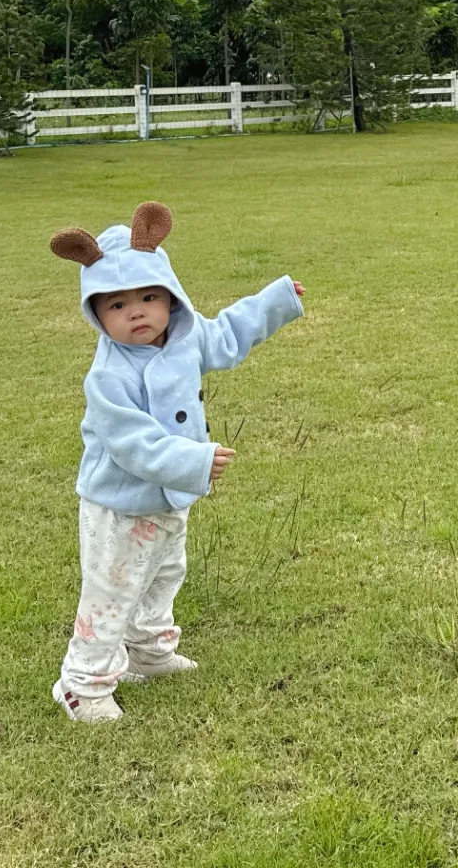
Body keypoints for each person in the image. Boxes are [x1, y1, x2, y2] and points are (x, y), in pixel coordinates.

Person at [47, 200, 305, 722]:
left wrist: (275, 302)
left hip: (169, 497)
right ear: (95, 313)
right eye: (116, 305)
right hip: (120, 504)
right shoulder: (109, 376)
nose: (137, 312)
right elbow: (131, 442)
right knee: (114, 587)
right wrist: (194, 460)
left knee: (165, 572)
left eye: (147, 297)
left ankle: (149, 650)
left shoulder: (183, 338)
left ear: (171, 297)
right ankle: (82, 683)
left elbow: (229, 334)